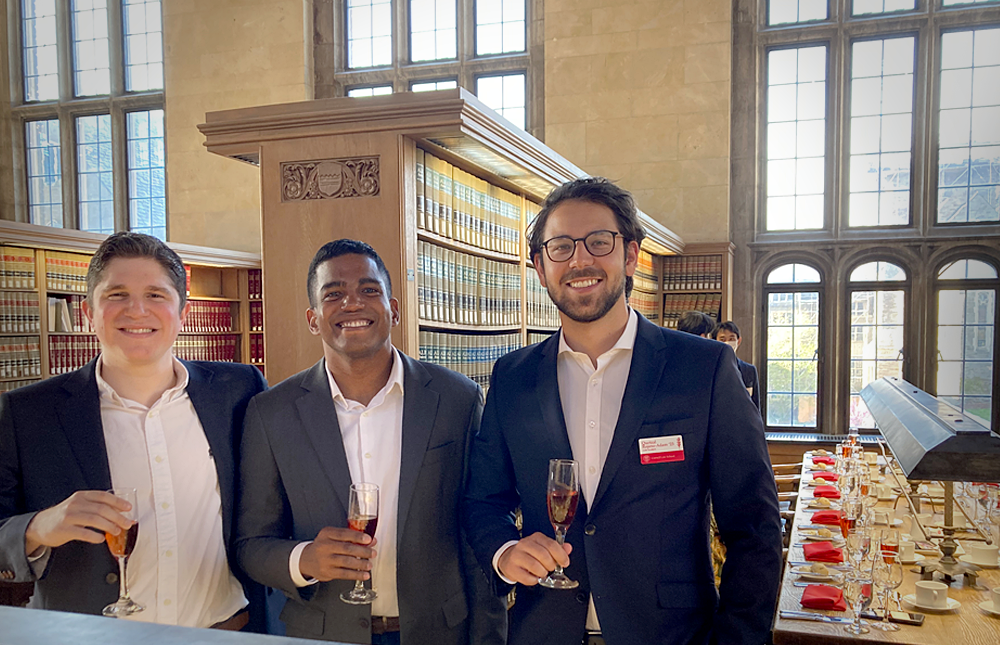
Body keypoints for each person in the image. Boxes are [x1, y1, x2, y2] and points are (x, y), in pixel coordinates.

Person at [463, 178, 782, 645]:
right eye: (560, 247)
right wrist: (504, 550)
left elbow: (754, 526)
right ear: (539, 266)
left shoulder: (704, 369)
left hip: (673, 635)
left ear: (630, 255)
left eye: (598, 242)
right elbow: (483, 500)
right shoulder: (513, 378)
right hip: (543, 632)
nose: (579, 260)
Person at [235, 239, 506, 644]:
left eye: (368, 290)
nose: (352, 304)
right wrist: (303, 559)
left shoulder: (457, 399)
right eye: (333, 294)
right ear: (313, 319)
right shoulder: (271, 413)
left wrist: (490, 635)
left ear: (393, 309)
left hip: (438, 632)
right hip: (322, 633)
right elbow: (249, 544)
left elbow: (478, 524)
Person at [0, 232, 270, 631]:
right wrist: (38, 527)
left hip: (223, 632)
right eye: (117, 295)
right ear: (89, 314)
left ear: (183, 313)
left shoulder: (239, 390)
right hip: (88, 637)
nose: (137, 310)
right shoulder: (27, 412)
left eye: (156, 295)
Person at [713, 321, 761, 414]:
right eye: (722, 339)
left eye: (731, 338)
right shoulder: (711, 369)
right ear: (715, 341)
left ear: (738, 341)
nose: (727, 342)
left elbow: (755, 405)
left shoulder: (749, 370)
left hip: (743, 422)